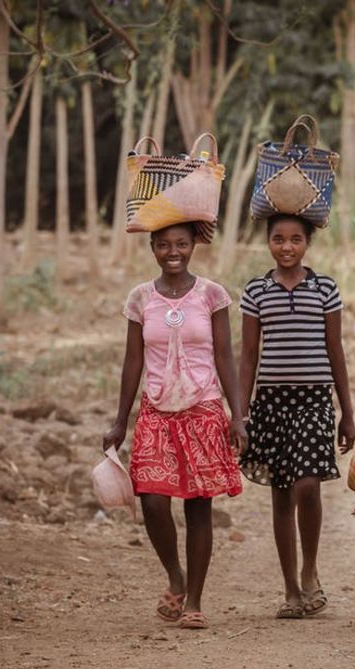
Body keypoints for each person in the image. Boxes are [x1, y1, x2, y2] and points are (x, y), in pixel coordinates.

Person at [103, 222, 248, 631]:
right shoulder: (140, 299)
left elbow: (225, 356)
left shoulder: (212, 294)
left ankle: (195, 600)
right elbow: (133, 361)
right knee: (151, 498)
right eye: (164, 244)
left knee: (199, 505)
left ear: (193, 246)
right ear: (152, 247)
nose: (173, 252)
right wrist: (119, 421)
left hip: (202, 410)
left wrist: (237, 415)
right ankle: (175, 576)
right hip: (156, 411)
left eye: (181, 244)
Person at [238, 213, 355, 619]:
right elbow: (248, 356)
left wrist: (348, 412)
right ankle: (290, 588)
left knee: (308, 484)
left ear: (308, 242)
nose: (286, 247)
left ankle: (310, 569)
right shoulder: (257, 291)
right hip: (271, 402)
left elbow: (335, 350)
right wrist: (240, 413)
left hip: (314, 400)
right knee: (281, 493)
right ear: (268, 242)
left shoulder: (324, 288)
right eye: (278, 239)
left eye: (294, 239)